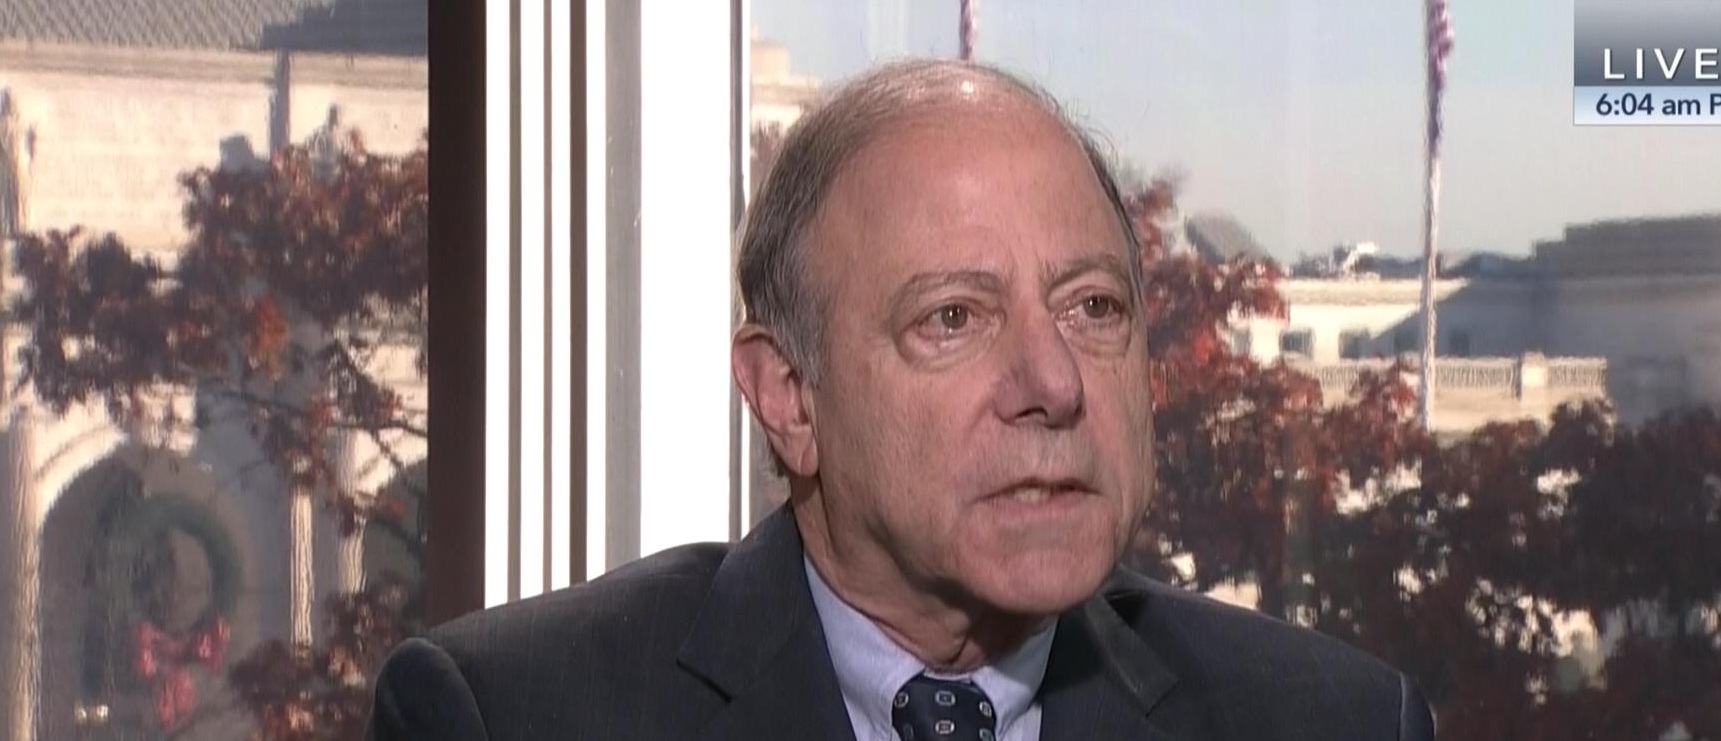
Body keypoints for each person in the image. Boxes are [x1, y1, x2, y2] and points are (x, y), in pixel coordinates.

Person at [366, 59, 1436, 741]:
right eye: (952, 318)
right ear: (788, 396)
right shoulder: (510, 716)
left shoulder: (1334, 724)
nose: (1055, 384)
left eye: (1093, 306)